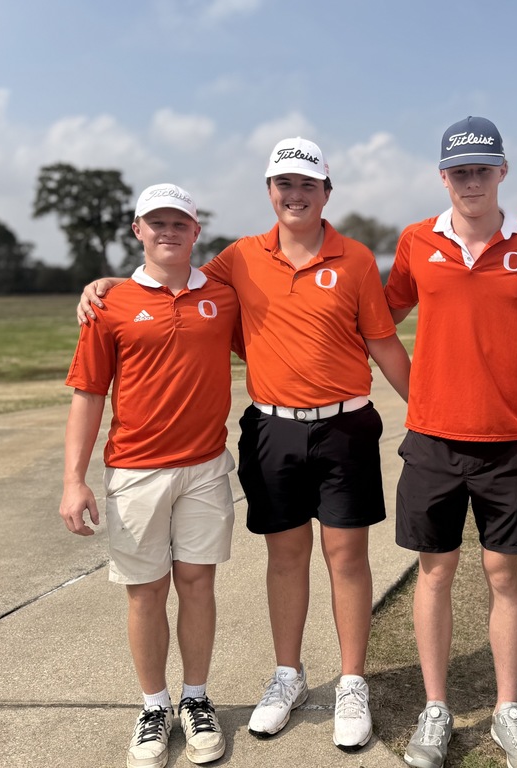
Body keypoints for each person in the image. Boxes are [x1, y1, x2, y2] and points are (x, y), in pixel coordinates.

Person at [79, 138, 411, 752]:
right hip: (273, 427)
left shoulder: (359, 259)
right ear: (269, 192)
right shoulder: (240, 258)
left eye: (307, 184)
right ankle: (288, 675)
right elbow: (170, 275)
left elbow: (383, 343)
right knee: (285, 557)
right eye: (284, 184)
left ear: (326, 192)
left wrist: (426, 408)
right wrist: (107, 284)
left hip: (346, 425)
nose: (295, 194)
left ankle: (352, 681)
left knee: (346, 557)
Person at [384, 116, 517, 768]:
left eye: (482, 169)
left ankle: (509, 710)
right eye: (460, 171)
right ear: (443, 176)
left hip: (506, 441)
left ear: (503, 172)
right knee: (435, 572)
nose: (471, 180)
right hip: (431, 439)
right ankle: (436, 709)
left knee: (502, 574)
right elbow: (379, 316)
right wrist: (416, 390)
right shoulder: (415, 241)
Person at [60, 183, 240, 768]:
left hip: (206, 466)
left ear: (195, 231)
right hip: (135, 470)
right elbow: (88, 394)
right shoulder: (108, 304)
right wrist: (73, 480)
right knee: (146, 592)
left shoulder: (222, 294)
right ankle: (153, 707)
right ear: (137, 231)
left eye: (179, 223)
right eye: (155, 223)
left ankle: (195, 699)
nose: (168, 232)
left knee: (197, 583)